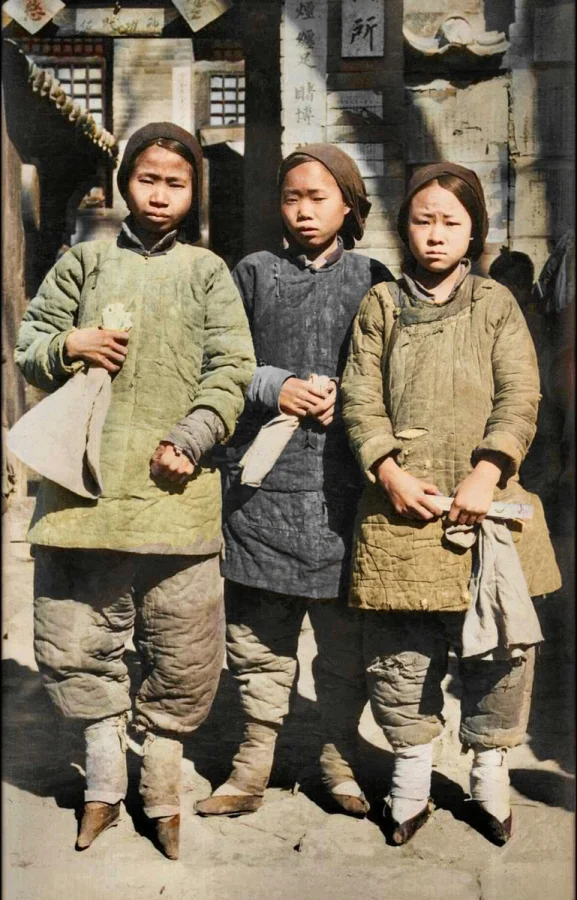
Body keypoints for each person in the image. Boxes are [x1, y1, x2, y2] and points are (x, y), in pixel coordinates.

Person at [14, 122, 255, 860]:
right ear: (124, 185)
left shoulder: (207, 272)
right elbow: (29, 345)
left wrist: (193, 436)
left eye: (175, 183)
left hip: (176, 495)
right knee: (74, 637)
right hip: (83, 493)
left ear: (193, 193)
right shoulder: (83, 263)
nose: (159, 194)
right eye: (147, 179)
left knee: (183, 647)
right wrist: (71, 345)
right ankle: (103, 784)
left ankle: (161, 789)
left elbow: (232, 368)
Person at [340, 162, 561, 846]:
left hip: (484, 504)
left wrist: (487, 473)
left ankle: (489, 772)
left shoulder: (496, 304)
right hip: (401, 508)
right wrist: (387, 472)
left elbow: (519, 395)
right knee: (400, 653)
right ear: (404, 227)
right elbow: (359, 398)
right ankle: (410, 776)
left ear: (474, 232)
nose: (435, 235)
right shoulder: (380, 305)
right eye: (422, 220)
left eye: (450, 222)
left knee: (500, 650)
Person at [195, 144, 393, 819]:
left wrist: (352, 398)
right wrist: (273, 385)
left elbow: (391, 368)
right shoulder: (252, 273)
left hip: (344, 490)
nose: (303, 211)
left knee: (342, 642)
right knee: (258, 638)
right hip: (262, 489)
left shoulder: (373, 277)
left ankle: (337, 757)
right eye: (291, 198)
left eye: (318, 197)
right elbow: (220, 360)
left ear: (349, 205)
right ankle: (252, 763)